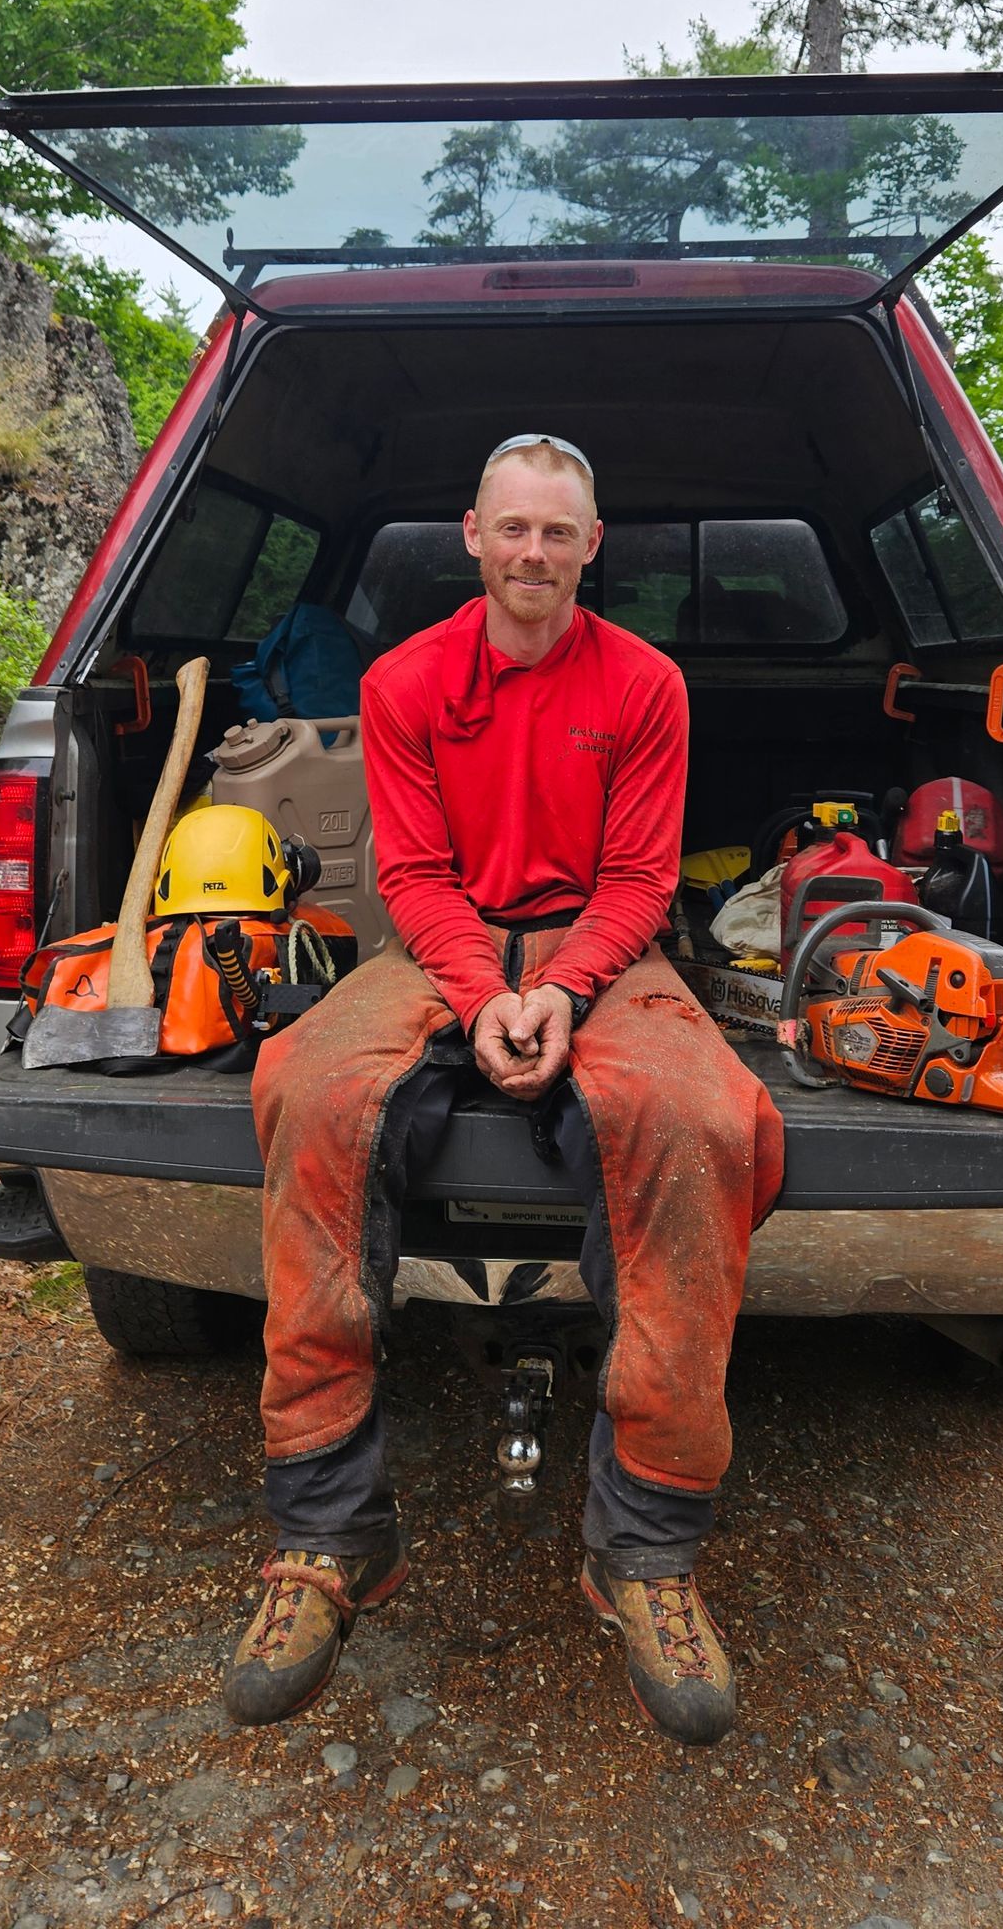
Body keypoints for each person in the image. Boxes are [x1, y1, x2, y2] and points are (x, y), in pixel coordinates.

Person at [224, 435, 785, 1745]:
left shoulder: (644, 683)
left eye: (559, 532)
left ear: (594, 547)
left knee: (700, 1118)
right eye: (514, 528)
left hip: (606, 942)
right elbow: (413, 878)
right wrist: (484, 996)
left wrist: (568, 989)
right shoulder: (405, 680)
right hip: (439, 943)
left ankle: (644, 1547)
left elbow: (642, 878)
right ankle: (330, 1534)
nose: (535, 552)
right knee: (312, 1091)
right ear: (472, 536)